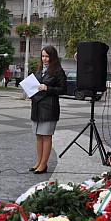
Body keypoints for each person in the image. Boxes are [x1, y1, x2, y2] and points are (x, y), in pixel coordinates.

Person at [29, 45, 67, 174]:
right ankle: (38, 162)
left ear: (52, 57)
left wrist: (48, 88)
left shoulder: (58, 71)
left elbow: (63, 89)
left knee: (46, 136)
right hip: (37, 106)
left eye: (47, 56)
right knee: (38, 136)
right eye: (43, 56)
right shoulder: (39, 69)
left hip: (49, 107)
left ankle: (44, 165)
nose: (44, 59)